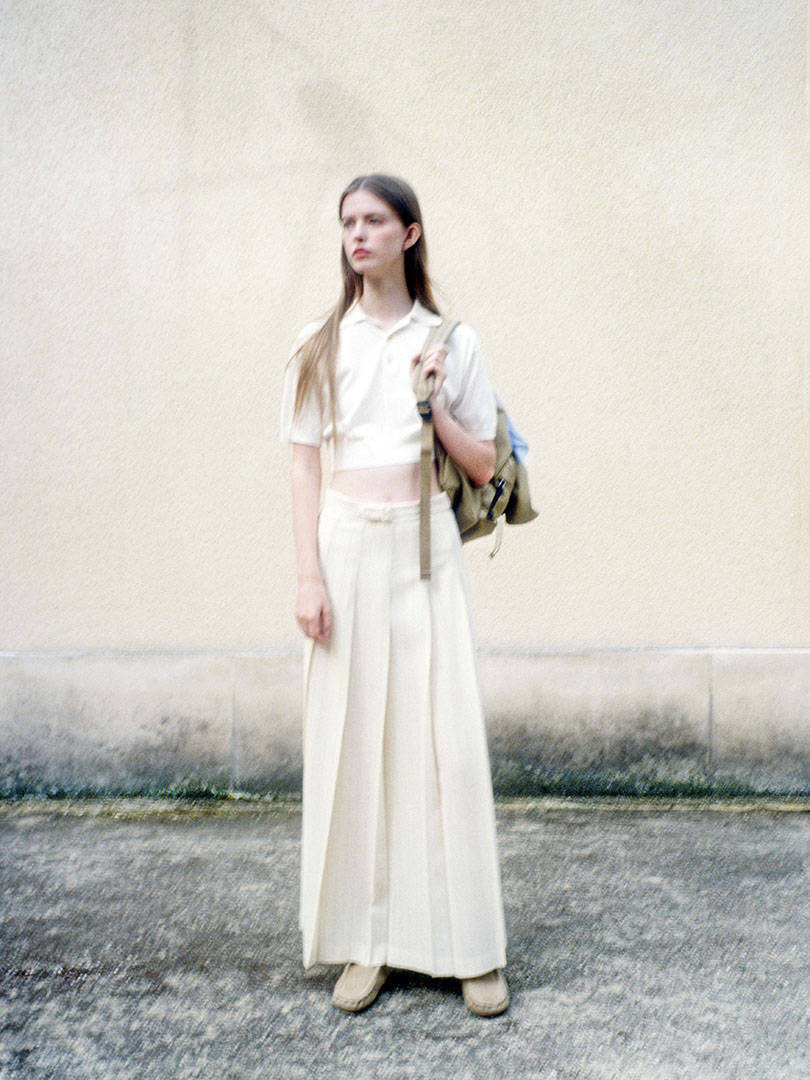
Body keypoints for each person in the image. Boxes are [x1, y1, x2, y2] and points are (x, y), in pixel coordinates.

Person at [281, 174, 509, 1017]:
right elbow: (304, 463)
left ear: (410, 234)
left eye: (375, 220)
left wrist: (434, 398)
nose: (357, 233)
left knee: (443, 742)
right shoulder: (318, 342)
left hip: (425, 547)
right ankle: (364, 943)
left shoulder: (452, 339)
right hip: (345, 548)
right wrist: (308, 574)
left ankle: (470, 950)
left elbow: (484, 463)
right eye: (347, 221)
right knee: (353, 746)